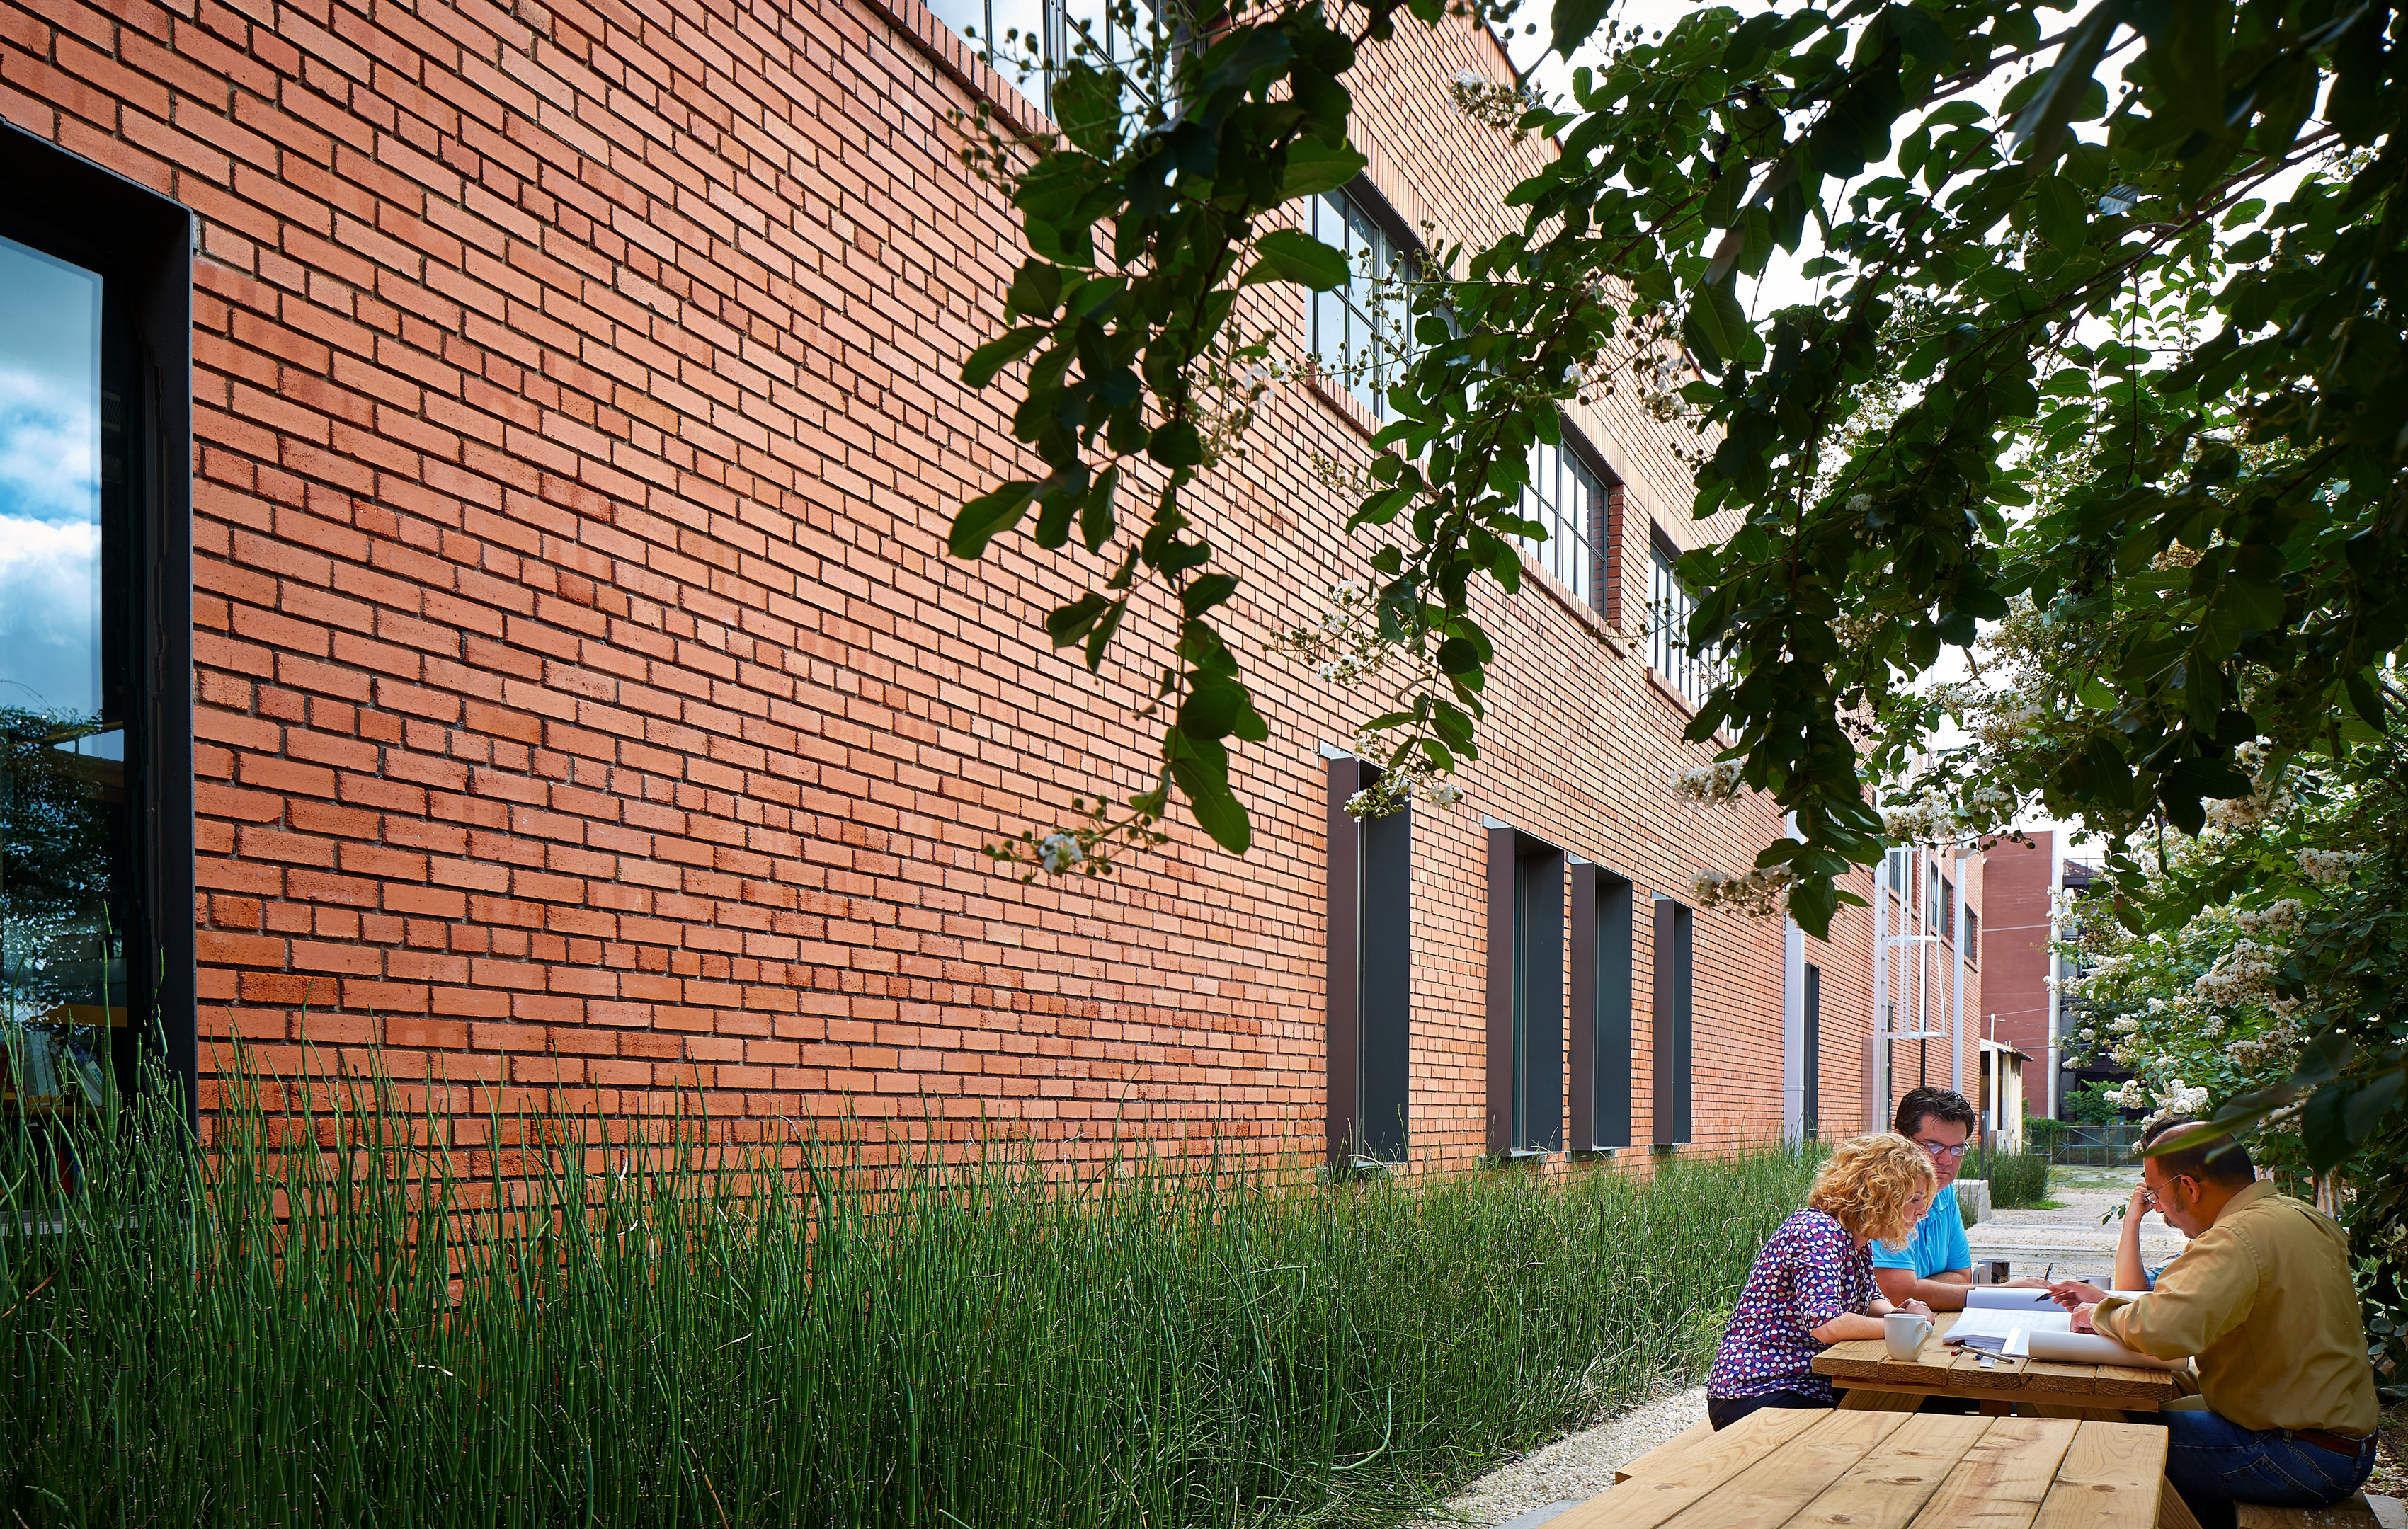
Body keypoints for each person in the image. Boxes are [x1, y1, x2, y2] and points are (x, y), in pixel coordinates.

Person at [2065, 1116, 2378, 1529]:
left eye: (2158, 1195)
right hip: (2339, 1443)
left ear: (2190, 1188)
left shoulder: (2234, 1238)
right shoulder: (2301, 1215)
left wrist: (2097, 1314)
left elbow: (2164, 1330)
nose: (2160, 1211)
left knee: (2100, 1439)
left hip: (2301, 1454)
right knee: (2139, 1413)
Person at [1705, 1133, 1936, 1431]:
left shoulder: (1855, 1239)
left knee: (1915, 1408)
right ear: (1880, 1193)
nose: (1923, 1210)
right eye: (1914, 1198)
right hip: (1757, 1391)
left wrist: (1902, 1314)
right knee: (1885, 1427)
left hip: (1801, 1384)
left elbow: (1871, 1303)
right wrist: (1906, 1327)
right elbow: (1827, 1324)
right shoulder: (1818, 1231)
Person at [1870, 1087, 1980, 1311]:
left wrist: (1918, 1287)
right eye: (1934, 1146)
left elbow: (1962, 1276)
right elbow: (1896, 1293)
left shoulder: (1944, 1192)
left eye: (1957, 1149)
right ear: (1900, 1140)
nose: (1947, 1160)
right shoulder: (1880, 1194)